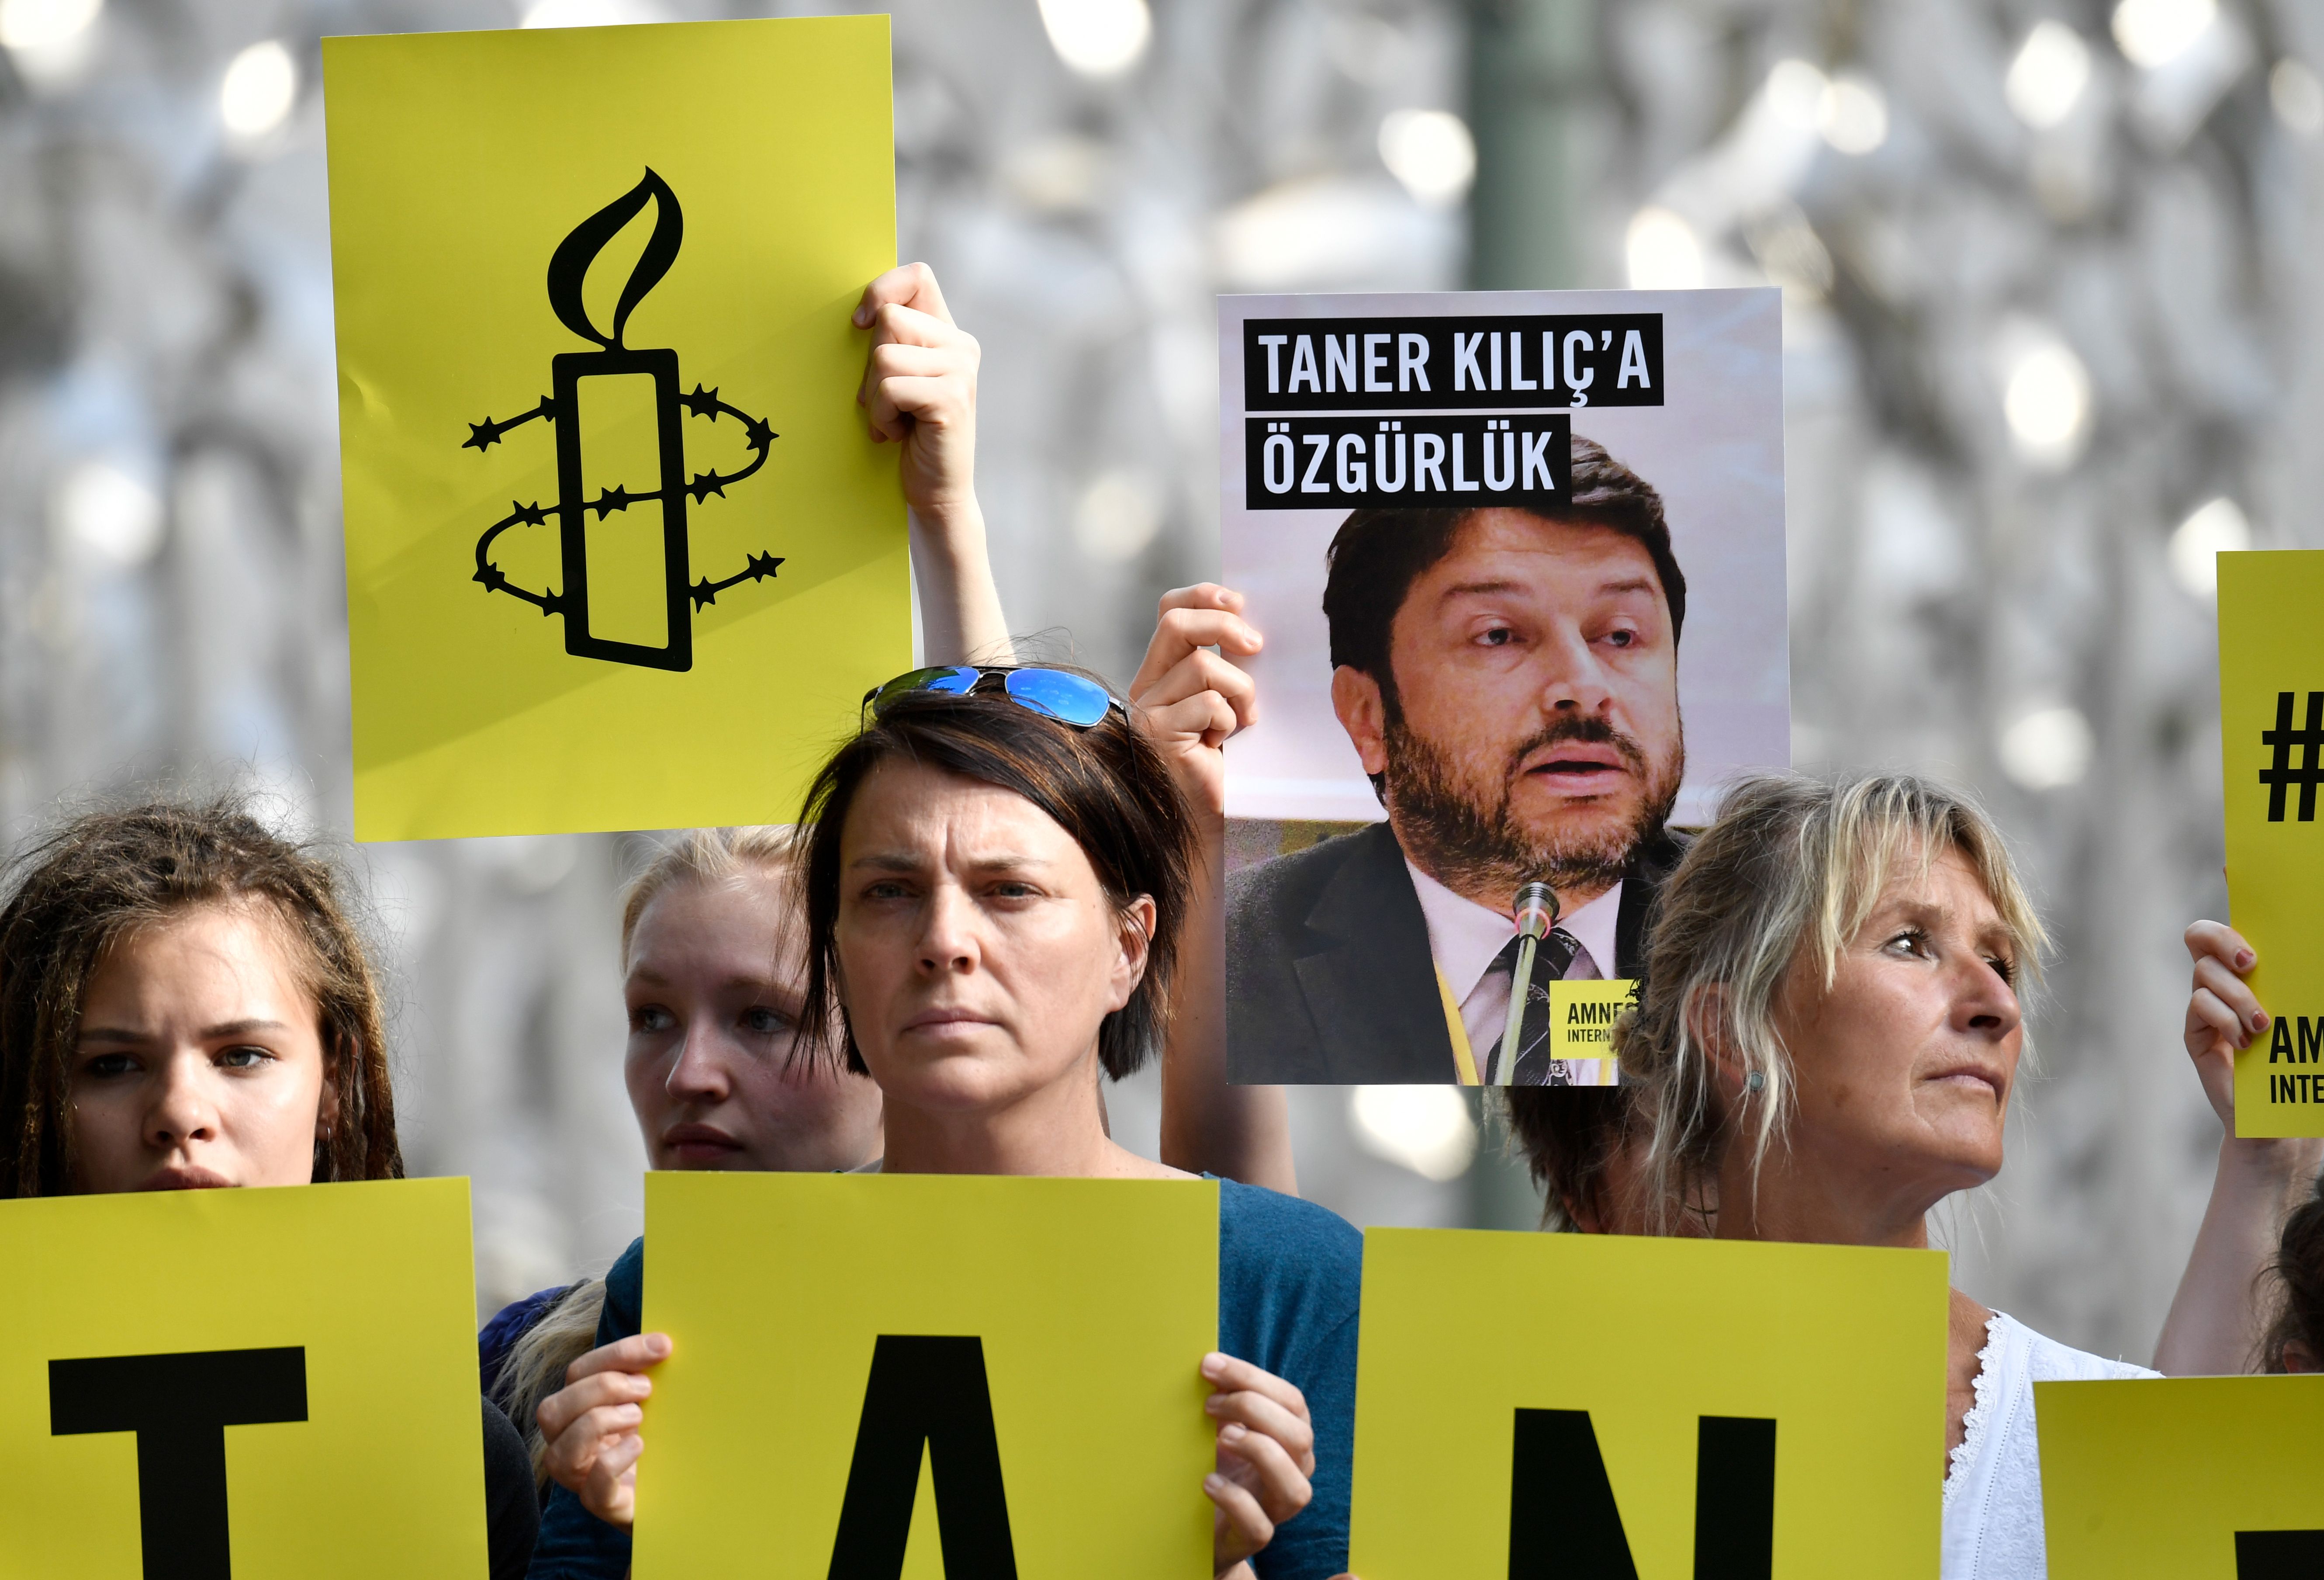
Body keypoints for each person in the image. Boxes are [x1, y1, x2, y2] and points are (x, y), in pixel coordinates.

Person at [526, 662, 1361, 1580]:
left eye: (1008, 889)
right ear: (835, 955)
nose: (944, 940)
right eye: (888, 890)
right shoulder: (685, 1287)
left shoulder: (1297, 1280)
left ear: (1128, 947)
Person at [0, 798, 539, 1580]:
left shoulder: (455, 1454)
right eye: (113, 1064)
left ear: (335, 1080)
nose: (181, 1114)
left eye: (242, 1055)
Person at [1226, 438, 1689, 1086]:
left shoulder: (1773, 941)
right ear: (1368, 715)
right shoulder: (1233, 953)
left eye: (1620, 636)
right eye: (1498, 635)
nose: (1583, 687)